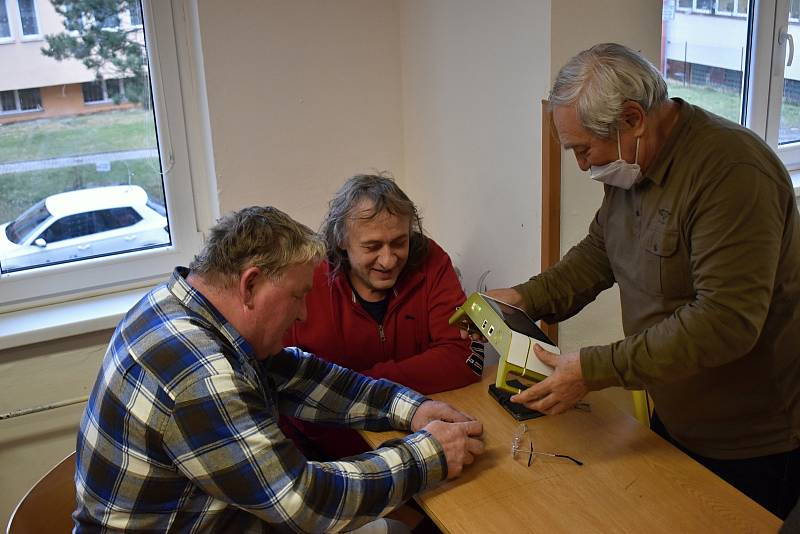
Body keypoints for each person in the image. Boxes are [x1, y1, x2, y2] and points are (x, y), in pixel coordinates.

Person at [478, 43, 800, 519]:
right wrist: (525, 298)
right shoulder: (631, 165)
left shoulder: (733, 174)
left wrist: (592, 368)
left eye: (584, 150)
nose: (583, 167)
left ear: (632, 118)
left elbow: (725, 322)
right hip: (675, 411)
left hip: (749, 439)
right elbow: (598, 255)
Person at [73, 206, 485, 532]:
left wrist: (408, 408)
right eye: (297, 296)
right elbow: (303, 503)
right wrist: (429, 454)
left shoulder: (178, 306)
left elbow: (299, 375)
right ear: (250, 285)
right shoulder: (202, 374)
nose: (303, 312)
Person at [281, 174, 480, 460]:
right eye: (372, 247)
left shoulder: (431, 259)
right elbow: (290, 387)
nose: (388, 260)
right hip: (326, 457)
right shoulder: (306, 280)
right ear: (340, 241)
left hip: (418, 433)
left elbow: (465, 358)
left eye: (399, 242)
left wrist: (353, 387)